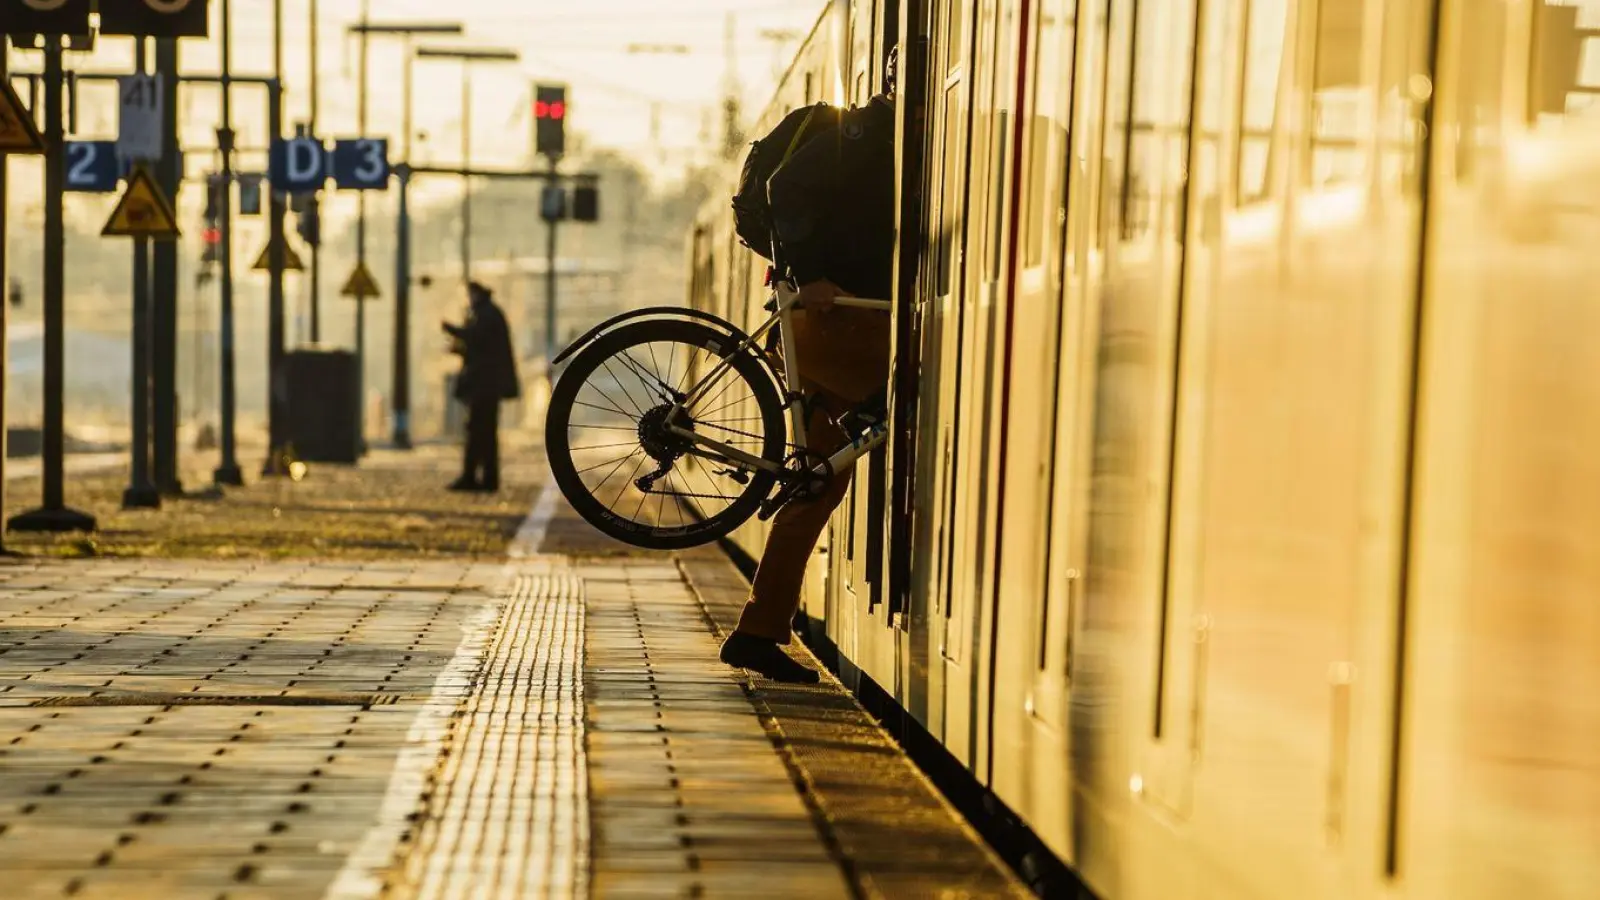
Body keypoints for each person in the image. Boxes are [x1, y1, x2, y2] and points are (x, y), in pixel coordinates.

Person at [718, 47, 900, 683]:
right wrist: (812, 273)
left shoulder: (882, 140)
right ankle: (759, 628)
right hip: (833, 324)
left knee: (822, 477)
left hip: (844, 324)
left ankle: (760, 630)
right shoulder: (865, 135)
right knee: (848, 450)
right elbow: (785, 188)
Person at [443, 282, 519, 492]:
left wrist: (453, 330)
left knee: (479, 432)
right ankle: (484, 479)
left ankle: (476, 478)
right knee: (482, 433)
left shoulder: (486, 315)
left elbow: (477, 339)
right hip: (486, 384)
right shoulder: (488, 313)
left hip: (485, 385)